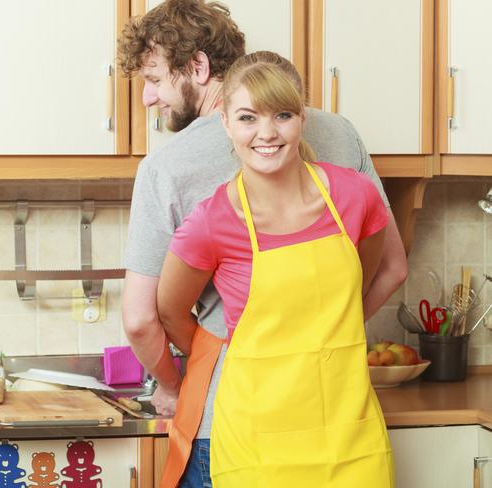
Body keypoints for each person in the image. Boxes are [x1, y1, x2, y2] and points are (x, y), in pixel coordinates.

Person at [118, 0, 407, 485]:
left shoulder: (167, 167)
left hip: (229, 416)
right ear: (233, 124)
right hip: (332, 408)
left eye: (154, 79)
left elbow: (141, 317)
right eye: (247, 118)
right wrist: (328, 337)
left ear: (198, 67)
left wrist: (176, 385)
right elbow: (392, 269)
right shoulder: (340, 130)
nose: (148, 98)